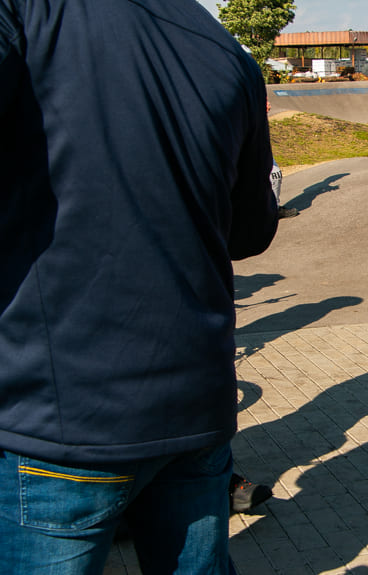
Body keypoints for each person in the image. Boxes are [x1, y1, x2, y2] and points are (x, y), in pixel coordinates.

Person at [0, 1, 278, 573]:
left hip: (63, 419)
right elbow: (250, 231)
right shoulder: (225, 49)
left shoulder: (30, 12)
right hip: (197, 407)